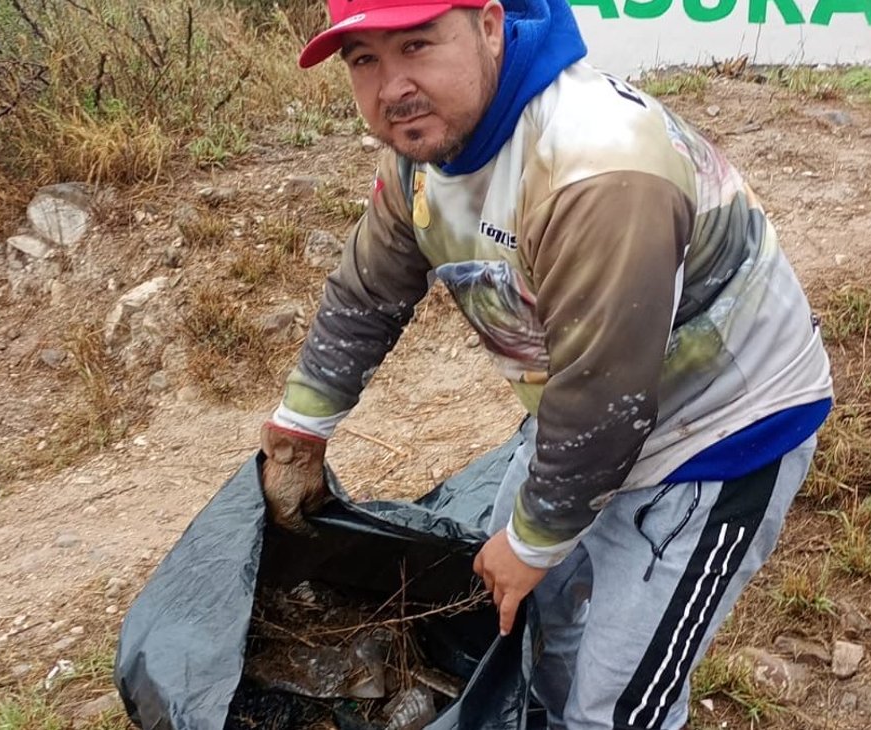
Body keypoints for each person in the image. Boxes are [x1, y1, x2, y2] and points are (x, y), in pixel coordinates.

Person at [257, 0, 834, 727]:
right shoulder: (420, 156)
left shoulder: (596, 164)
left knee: (617, 701)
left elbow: (605, 398)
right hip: (590, 403)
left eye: (417, 45)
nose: (392, 86)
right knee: (536, 622)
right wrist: (299, 434)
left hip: (719, 430)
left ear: (490, 27)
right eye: (365, 59)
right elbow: (368, 292)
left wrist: (533, 541)